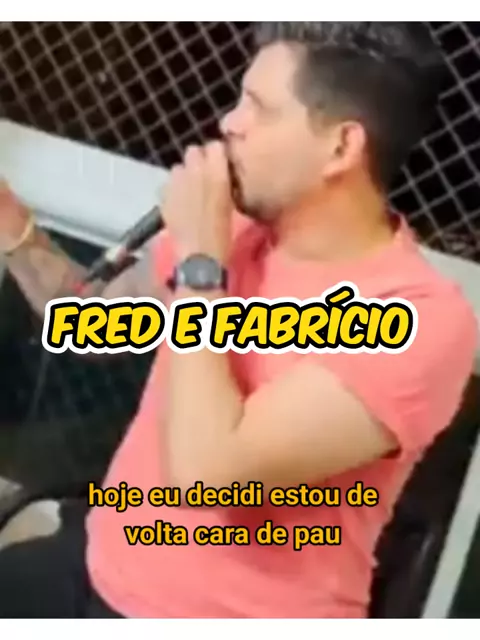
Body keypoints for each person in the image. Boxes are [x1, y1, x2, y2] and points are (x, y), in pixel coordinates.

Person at [0, 22, 477, 618]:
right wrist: (11, 222)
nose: (229, 123)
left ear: (341, 147)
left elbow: (207, 481)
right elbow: (89, 316)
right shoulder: (239, 234)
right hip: (98, 564)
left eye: (259, 107)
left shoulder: (421, 319)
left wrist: (202, 265)